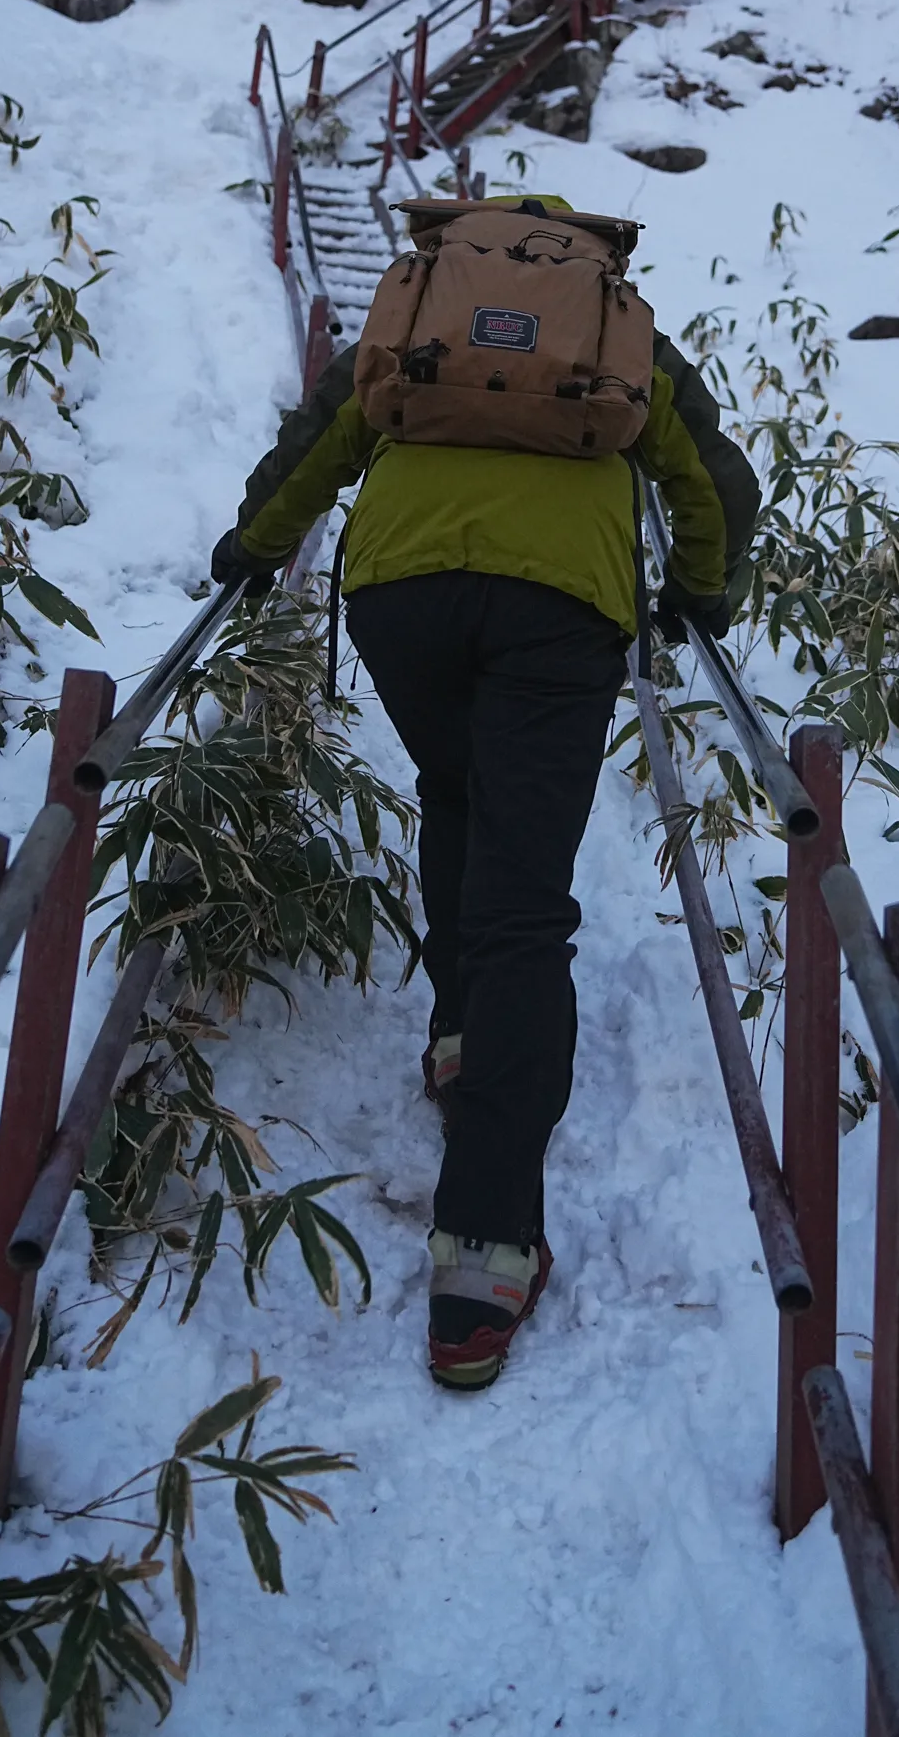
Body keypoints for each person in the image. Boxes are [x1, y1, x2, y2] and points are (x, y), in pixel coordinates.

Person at [212, 192, 759, 1390]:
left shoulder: (425, 302)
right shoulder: (615, 324)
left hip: (403, 590)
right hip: (561, 613)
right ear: (592, 246)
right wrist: (704, 593)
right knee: (525, 904)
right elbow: (708, 475)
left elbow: (328, 433)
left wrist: (256, 546)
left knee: (453, 792)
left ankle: (461, 1033)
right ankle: (487, 1248)